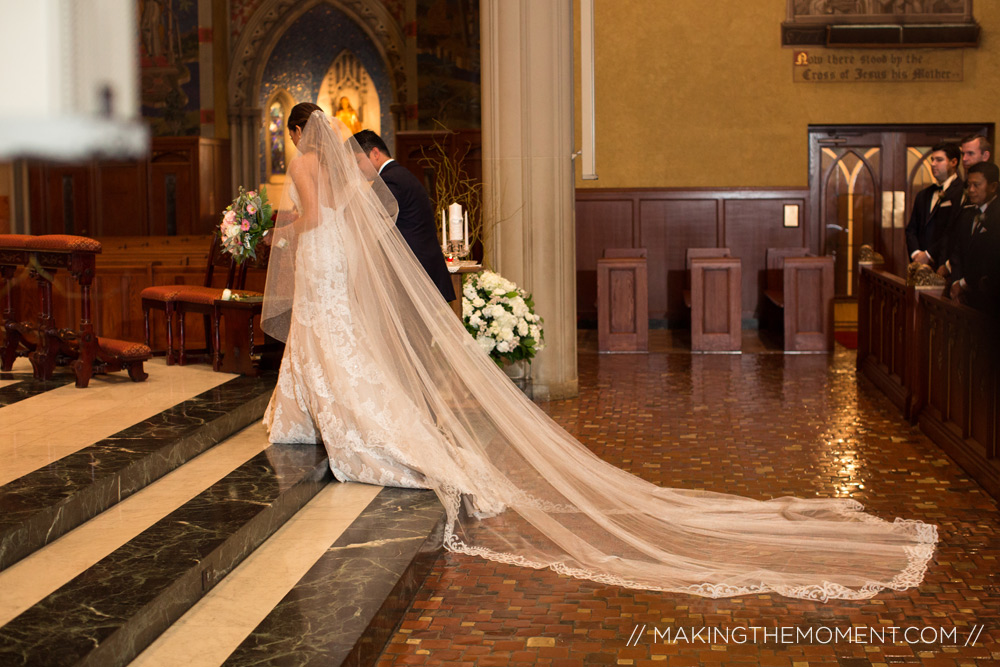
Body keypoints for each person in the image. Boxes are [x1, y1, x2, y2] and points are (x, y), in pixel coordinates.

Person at [262, 109, 936, 601]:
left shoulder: (302, 165)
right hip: (334, 269)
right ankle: (338, 423)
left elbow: (319, 220)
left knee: (332, 349)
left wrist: (290, 228)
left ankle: (352, 432)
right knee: (337, 351)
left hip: (319, 262)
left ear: (296, 135)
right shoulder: (340, 170)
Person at [353, 129, 456, 302]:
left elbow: (369, 223)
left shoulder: (388, 181)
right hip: (424, 269)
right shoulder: (399, 174)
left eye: (357, 161)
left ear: (375, 153)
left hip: (415, 274)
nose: (356, 169)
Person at [949, 162, 1000, 315]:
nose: (971, 190)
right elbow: (957, 250)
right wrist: (956, 281)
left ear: (993, 186)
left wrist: (963, 284)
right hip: (964, 294)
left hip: (989, 299)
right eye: (969, 185)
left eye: (976, 185)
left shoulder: (997, 215)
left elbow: (990, 258)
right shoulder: (967, 213)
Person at [905, 143, 963, 271]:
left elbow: (952, 231)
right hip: (920, 266)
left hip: (944, 264)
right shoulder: (923, 194)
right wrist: (916, 254)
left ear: (953, 162)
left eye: (939, 160)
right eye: (932, 160)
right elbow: (911, 229)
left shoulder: (962, 192)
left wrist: (928, 254)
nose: (933, 164)